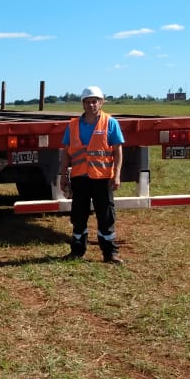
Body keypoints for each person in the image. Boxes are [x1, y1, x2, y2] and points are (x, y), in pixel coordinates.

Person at [58, 86, 125, 264]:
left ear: (101, 103)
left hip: (102, 178)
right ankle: (77, 251)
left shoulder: (110, 123)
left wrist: (117, 175)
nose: (91, 104)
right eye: (88, 101)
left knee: (106, 216)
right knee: (78, 215)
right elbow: (66, 153)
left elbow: (118, 151)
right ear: (83, 104)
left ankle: (110, 253)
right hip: (80, 178)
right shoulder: (72, 125)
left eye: (95, 101)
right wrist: (63, 176)